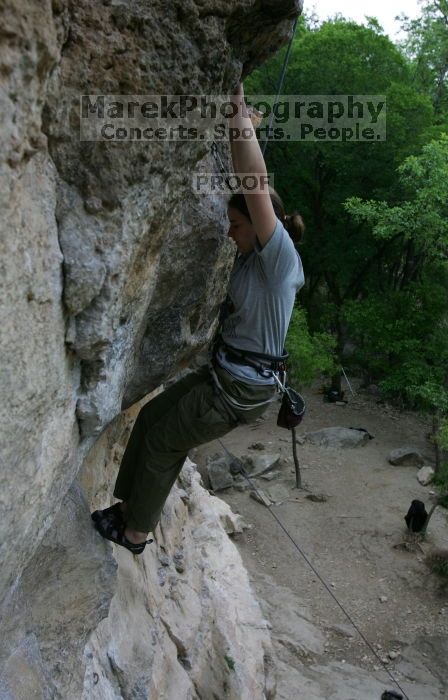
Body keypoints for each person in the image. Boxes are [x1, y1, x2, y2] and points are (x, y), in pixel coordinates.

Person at [92, 83, 305, 554]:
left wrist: (237, 117)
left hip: (239, 391)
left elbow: (253, 176)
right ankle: (127, 506)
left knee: (166, 442)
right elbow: (244, 182)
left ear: (259, 222)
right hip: (226, 377)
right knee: (150, 419)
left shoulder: (279, 260)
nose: (230, 234)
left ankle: (134, 534)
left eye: (236, 225)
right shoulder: (254, 257)